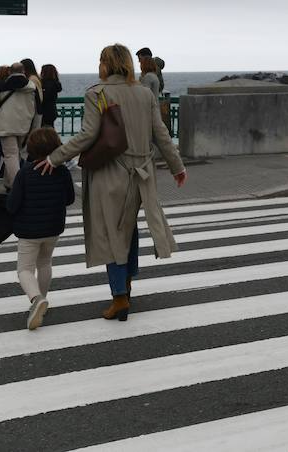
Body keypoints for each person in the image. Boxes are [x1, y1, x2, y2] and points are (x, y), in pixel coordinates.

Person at [35, 43, 186, 322]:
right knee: (129, 230)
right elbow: (161, 133)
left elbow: (87, 135)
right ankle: (126, 286)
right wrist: (177, 167)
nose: (98, 65)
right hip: (142, 174)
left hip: (111, 173)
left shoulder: (97, 93)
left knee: (111, 233)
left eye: (100, 60)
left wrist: (55, 158)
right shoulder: (144, 93)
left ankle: (119, 298)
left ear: (107, 64)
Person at [8, 127, 76, 330]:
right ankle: (43, 300)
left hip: (29, 231)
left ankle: (36, 299)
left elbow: (12, 205)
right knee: (45, 263)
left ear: (30, 149)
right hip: (53, 227)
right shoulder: (62, 172)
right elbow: (70, 199)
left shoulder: (25, 173)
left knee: (24, 269)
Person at [0, 63, 40, 188]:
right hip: (24, 125)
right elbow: (38, 110)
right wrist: (35, 128)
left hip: (5, 125)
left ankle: (17, 186)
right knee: (18, 154)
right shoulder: (32, 87)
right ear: (24, 71)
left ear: (10, 72)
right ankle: (8, 183)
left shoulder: (1, 86)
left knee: (10, 155)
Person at [39, 64, 62, 128]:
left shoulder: (44, 84)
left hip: (44, 111)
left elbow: (44, 97)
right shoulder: (56, 83)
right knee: (50, 128)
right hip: (52, 110)